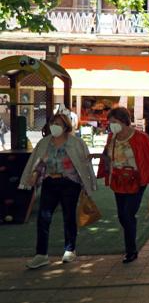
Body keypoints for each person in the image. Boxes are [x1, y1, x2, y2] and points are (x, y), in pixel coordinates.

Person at [18, 113, 97, 269]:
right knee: (43, 218)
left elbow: (84, 165)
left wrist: (87, 184)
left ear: (66, 126)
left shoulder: (76, 143)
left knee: (69, 216)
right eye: (53, 123)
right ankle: (41, 255)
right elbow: (38, 161)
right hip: (50, 182)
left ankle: (70, 250)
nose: (55, 126)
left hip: (69, 183)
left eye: (59, 123)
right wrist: (33, 175)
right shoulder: (45, 143)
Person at [97, 107, 149, 263]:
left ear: (124, 121)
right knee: (122, 215)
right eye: (110, 122)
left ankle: (131, 250)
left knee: (127, 214)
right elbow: (107, 156)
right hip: (118, 181)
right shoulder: (112, 137)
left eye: (114, 122)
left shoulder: (141, 138)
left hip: (137, 181)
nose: (111, 126)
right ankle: (130, 245)